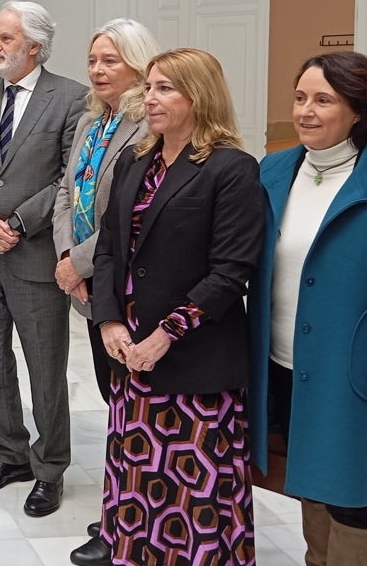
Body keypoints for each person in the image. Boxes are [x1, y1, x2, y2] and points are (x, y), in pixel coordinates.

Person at [91, 47, 263, 565]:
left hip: (194, 363)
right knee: (138, 489)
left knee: (195, 502)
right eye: (148, 87)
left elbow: (231, 272)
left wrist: (164, 336)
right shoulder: (134, 161)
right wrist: (109, 320)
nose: (150, 98)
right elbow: (108, 248)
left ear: (199, 94)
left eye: (165, 88)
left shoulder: (231, 169)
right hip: (133, 360)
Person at [249, 51, 367, 565]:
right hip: (282, 364)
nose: (306, 111)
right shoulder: (273, 170)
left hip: (356, 374)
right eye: (299, 97)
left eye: (323, 100)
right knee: (307, 479)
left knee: (353, 496)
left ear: (358, 110)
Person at [0, 0, 86, 517]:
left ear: (35, 46)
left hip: (34, 255)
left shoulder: (71, 98)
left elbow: (70, 177)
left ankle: (49, 468)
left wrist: (20, 223)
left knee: (45, 367)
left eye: (6, 38)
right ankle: (10, 454)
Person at [51, 19, 159, 566]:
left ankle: (129, 517)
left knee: (132, 405)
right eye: (93, 59)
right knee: (113, 399)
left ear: (139, 65)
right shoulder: (92, 123)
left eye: (110, 60)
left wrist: (81, 262)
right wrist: (68, 257)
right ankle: (124, 506)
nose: (97, 69)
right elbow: (66, 194)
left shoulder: (146, 129)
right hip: (88, 280)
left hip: (125, 284)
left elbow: (127, 219)